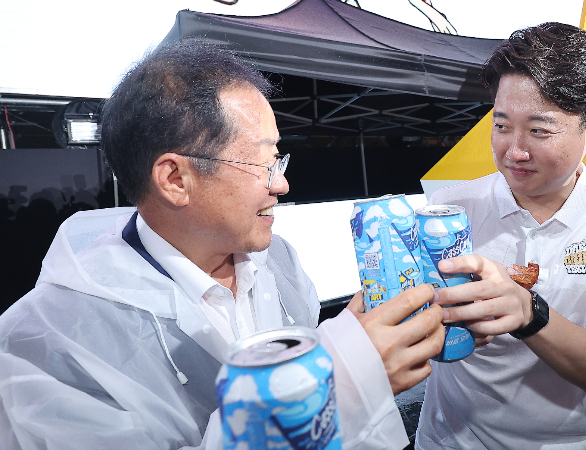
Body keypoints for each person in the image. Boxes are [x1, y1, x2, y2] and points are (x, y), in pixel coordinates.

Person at [0, 40, 445, 450]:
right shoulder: (46, 345)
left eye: (279, 160)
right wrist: (341, 382)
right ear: (175, 179)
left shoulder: (279, 260)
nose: (283, 183)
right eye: (262, 163)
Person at [415, 22, 586, 449]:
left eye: (539, 130)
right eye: (502, 125)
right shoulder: (451, 208)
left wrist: (529, 311)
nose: (514, 150)